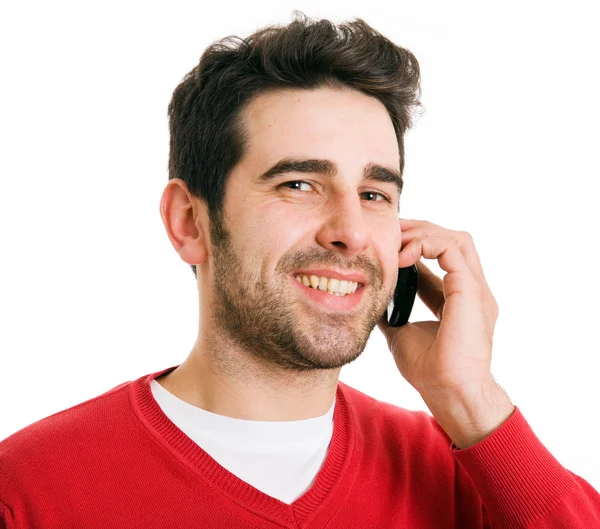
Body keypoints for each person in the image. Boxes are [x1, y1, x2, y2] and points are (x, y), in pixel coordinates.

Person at [1, 11, 599, 528]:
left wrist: (471, 399)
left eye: (373, 193)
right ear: (189, 221)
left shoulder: (470, 471)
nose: (351, 231)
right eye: (299, 184)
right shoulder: (27, 492)